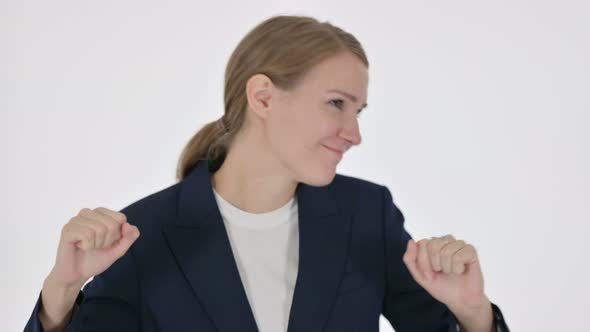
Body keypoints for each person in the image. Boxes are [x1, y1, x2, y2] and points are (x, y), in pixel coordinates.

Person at [24, 15, 510, 332]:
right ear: (262, 97)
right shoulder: (143, 233)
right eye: (336, 103)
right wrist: (60, 292)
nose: (353, 133)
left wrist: (472, 312)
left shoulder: (366, 215)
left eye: (358, 111)